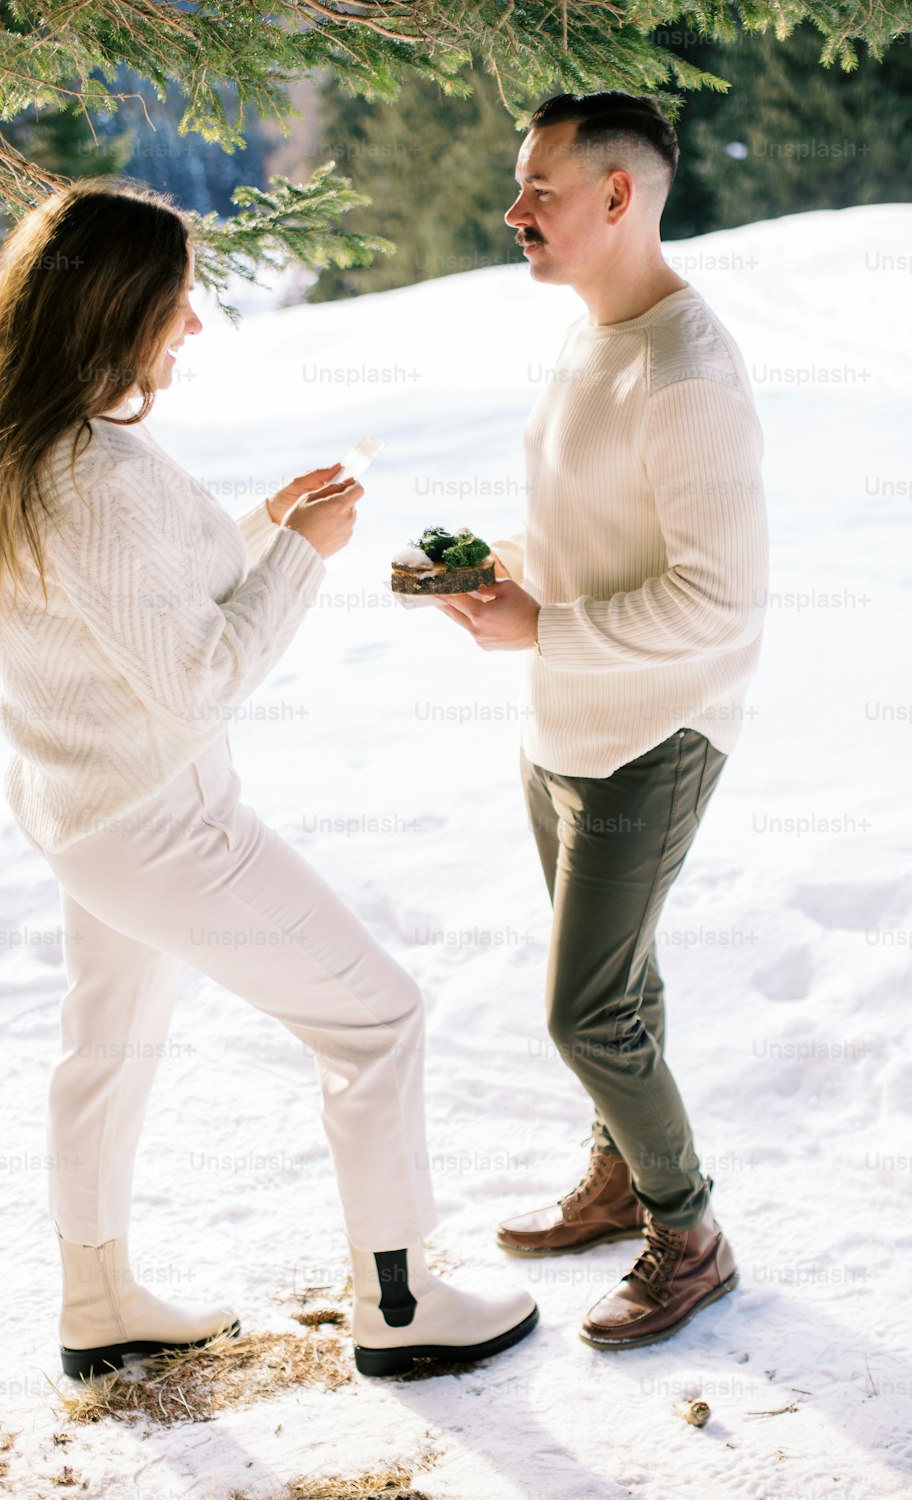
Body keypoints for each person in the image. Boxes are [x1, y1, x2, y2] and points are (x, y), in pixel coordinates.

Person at [0, 179, 537, 1381]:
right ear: (117, 311)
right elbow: (198, 678)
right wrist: (304, 563)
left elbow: (138, 602)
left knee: (106, 1046)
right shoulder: (87, 476)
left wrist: (266, 522)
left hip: (88, 815)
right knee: (377, 1018)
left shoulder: (47, 434)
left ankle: (98, 1300)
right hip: (159, 822)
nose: (195, 327)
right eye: (179, 302)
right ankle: (401, 1302)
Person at [435, 93, 768, 1349]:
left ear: (616, 198)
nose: (514, 211)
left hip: (654, 732)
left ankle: (688, 1236)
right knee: (618, 982)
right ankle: (620, 1168)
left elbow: (720, 601)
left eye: (540, 191)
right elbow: (597, 531)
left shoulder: (686, 373)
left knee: (585, 1010)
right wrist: (499, 571)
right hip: (560, 720)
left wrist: (548, 629)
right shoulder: (594, 336)